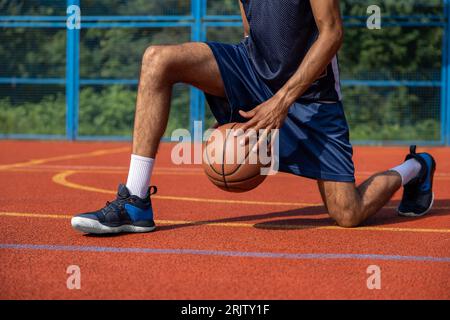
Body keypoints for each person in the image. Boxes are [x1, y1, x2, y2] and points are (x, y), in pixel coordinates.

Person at [71, 0, 436, 234]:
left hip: (312, 96)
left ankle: (417, 167)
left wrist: (281, 101)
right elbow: (252, 33)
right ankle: (135, 201)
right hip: (252, 70)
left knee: (348, 213)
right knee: (158, 59)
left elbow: (333, 33)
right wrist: (233, 102)